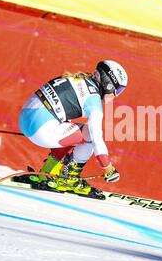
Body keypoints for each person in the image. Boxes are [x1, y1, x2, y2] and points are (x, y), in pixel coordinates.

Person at [18, 60, 128, 199]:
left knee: (70, 126)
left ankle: (47, 172)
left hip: (25, 119)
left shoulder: (77, 79)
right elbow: (96, 138)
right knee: (88, 133)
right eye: (117, 90)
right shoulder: (93, 101)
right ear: (108, 83)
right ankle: (69, 179)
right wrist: (108, 167)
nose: (116, 95)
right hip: (40, 131)